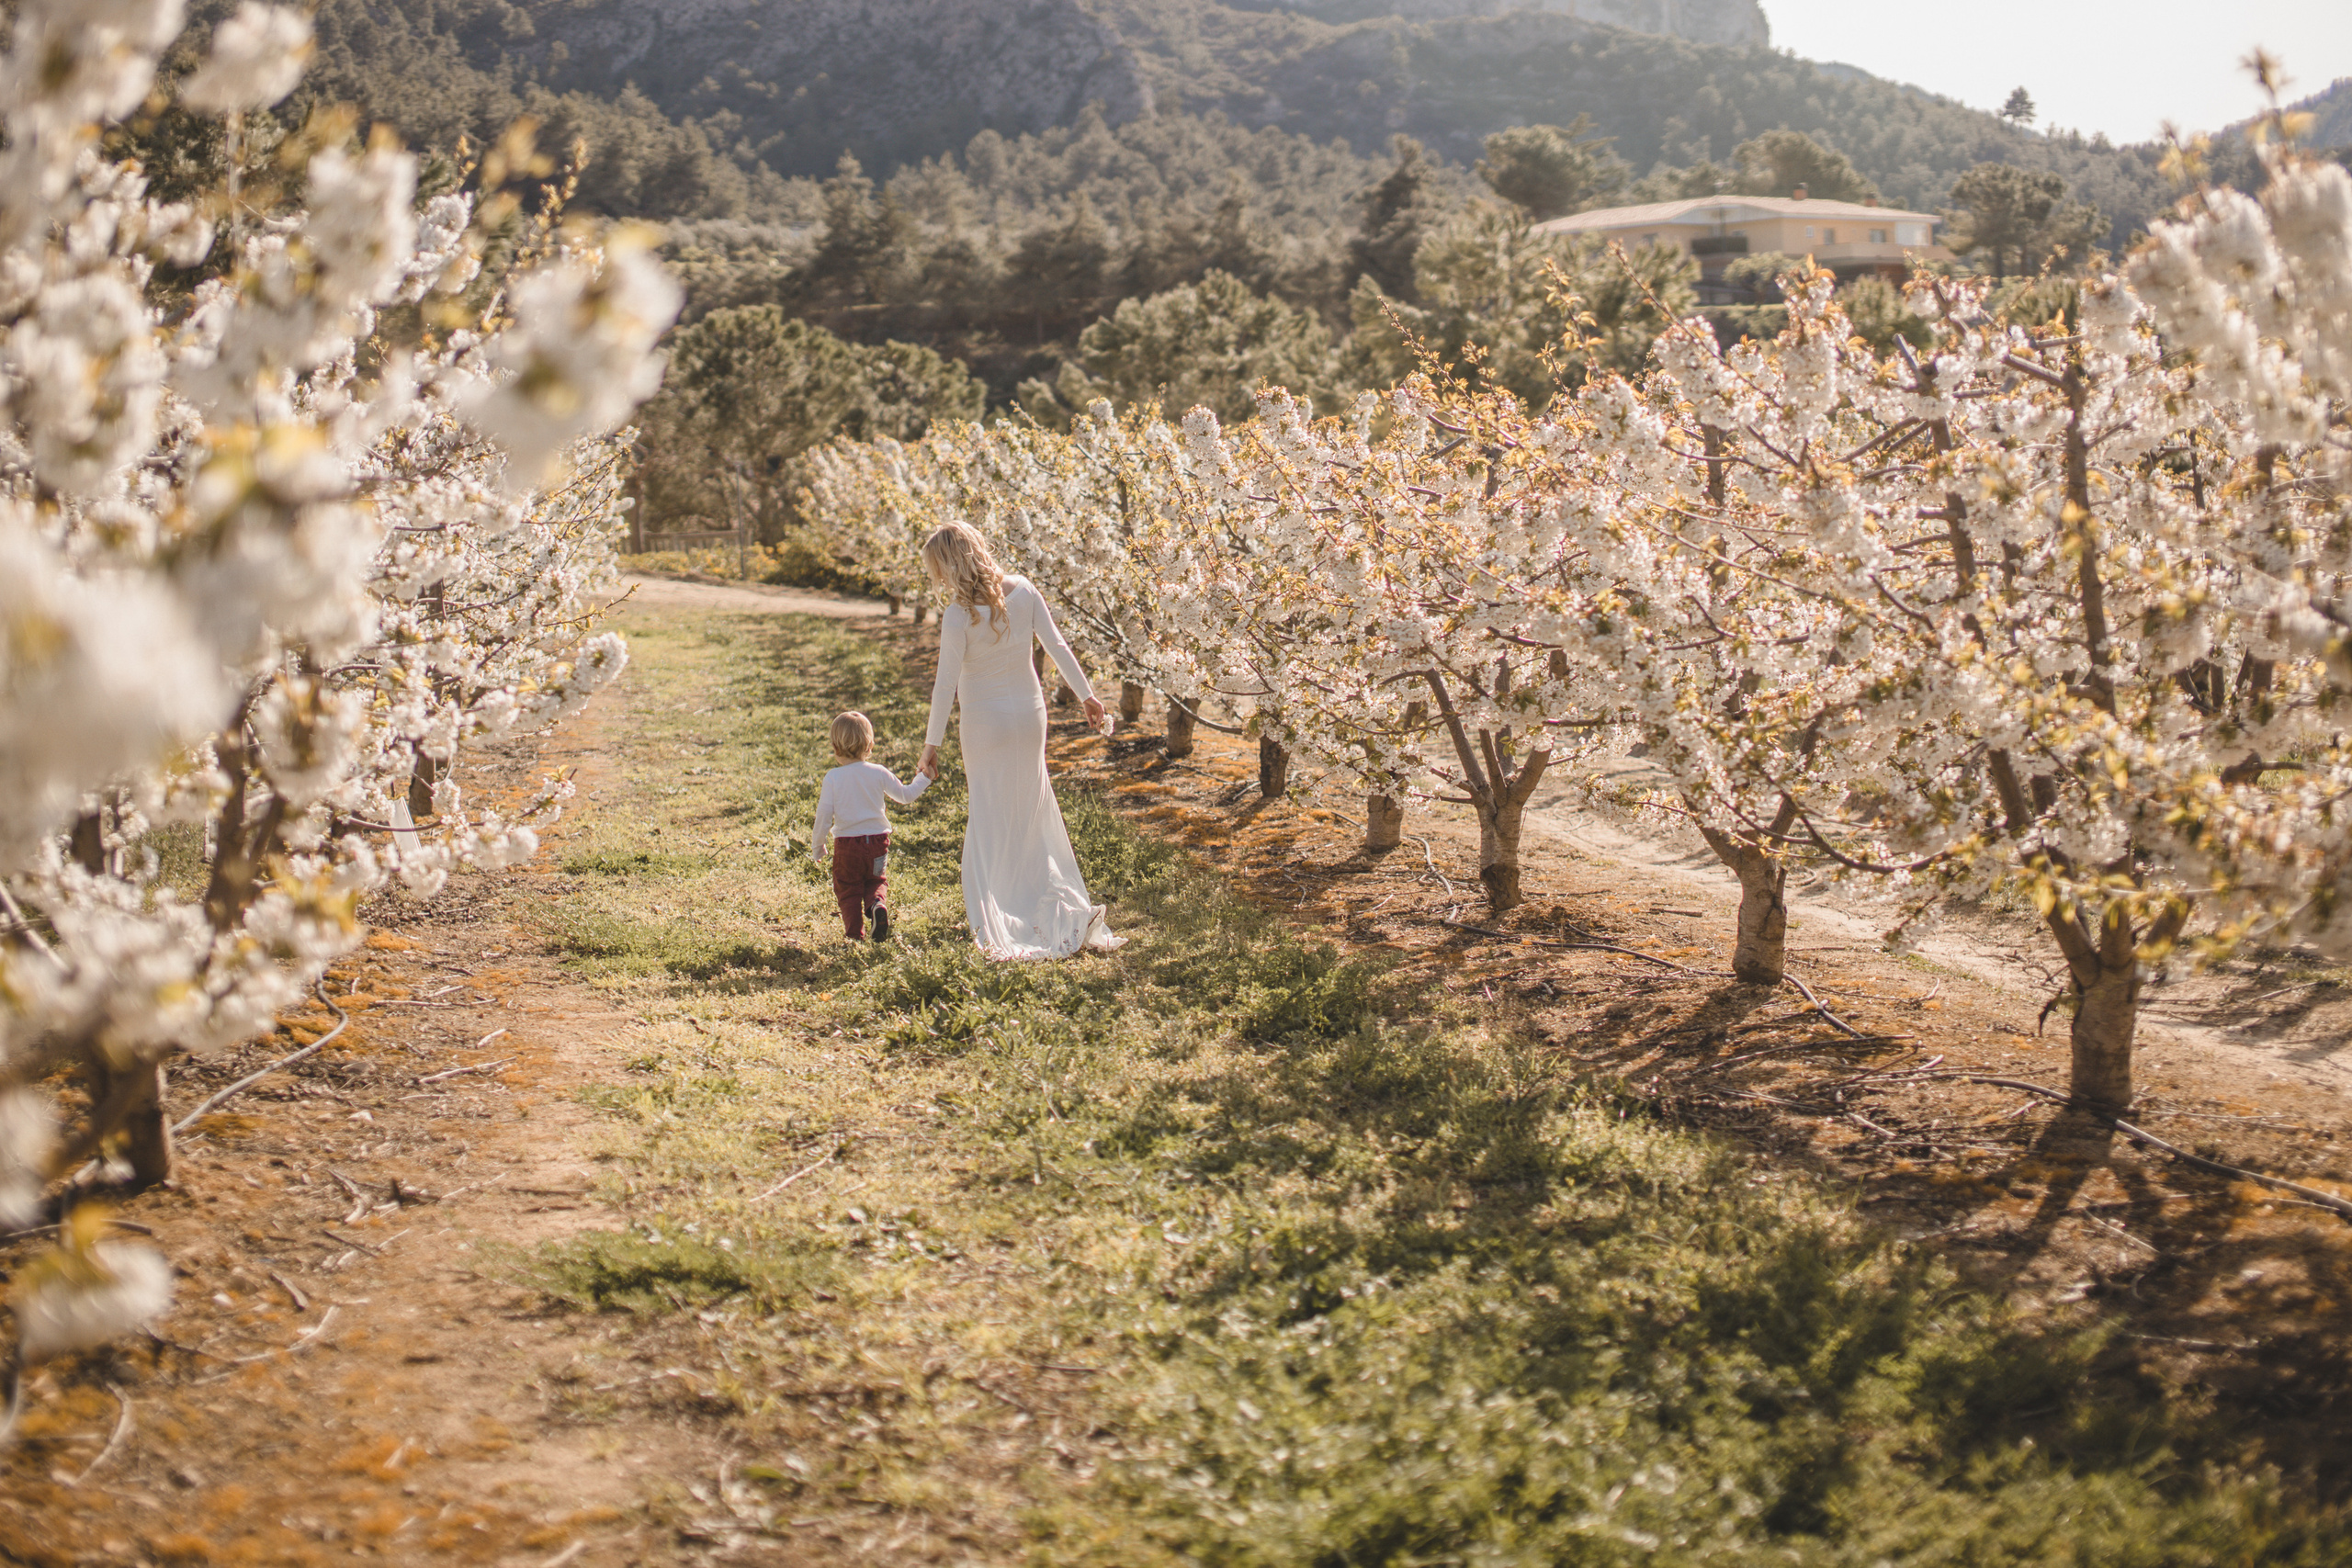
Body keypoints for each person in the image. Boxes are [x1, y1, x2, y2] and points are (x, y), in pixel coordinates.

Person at [915, 522, 1123, 959]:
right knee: (1033, 809)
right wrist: (1087, 695)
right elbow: (1057, 646)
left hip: (984, 723)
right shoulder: (1024, 590)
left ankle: (1006, 908)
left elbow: (944, 685)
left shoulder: (958, 615)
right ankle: (1051, 901)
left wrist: (931, 744)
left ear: (949, 565)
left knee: (990, 813)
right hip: (1030, 717)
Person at [811, 710, 930, 942]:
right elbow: (906, 795)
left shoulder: (833, 778)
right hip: (877, 842)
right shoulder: (878, 772)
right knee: (875, 881)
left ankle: (855, 935)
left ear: (835, 747)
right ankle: (877, 905)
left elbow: (823, 816)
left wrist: (818, 846)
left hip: (847, 846)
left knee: (848, 888)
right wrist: (924, 778)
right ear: (870, 745)